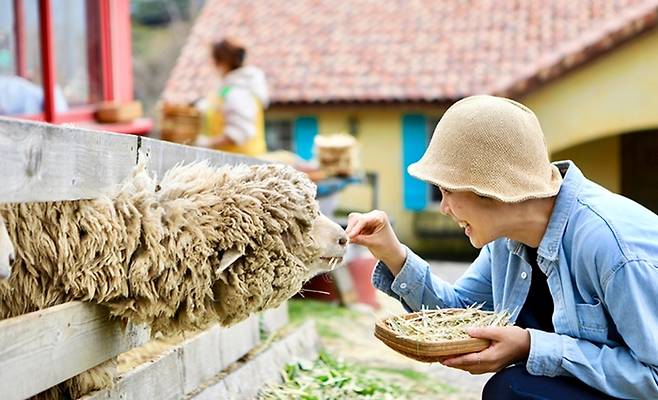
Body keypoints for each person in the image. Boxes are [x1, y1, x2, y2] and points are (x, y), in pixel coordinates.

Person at [346, 95, 658, 399]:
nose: (443, 208)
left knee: (512, 389)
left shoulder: (613, 248)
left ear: (489, 189)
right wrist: (390, 251)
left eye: (446, 191)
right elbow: (457, 316)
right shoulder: (508, 240)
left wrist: (531, 346)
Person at [194, 38, 269, 156]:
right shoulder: (228, 88)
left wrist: (205, 142)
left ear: (222, 62)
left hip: (243, 164)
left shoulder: (239, 90)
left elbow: (238, 134)